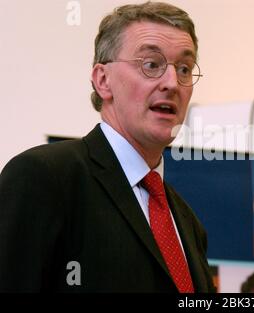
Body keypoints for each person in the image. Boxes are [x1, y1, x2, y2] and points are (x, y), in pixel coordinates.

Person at [0, 1, 215, 293]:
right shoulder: (44, 178)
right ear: (103, 80)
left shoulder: (188, 223)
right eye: (152, 65)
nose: (172, 83)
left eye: (184, 68)